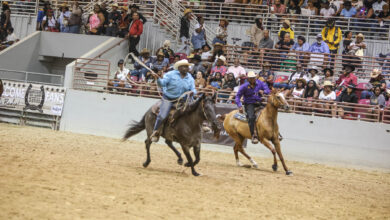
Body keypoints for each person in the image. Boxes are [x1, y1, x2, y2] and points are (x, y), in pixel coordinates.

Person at [149, 59, 197, 142]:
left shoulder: (190, 78)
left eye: (187, 66)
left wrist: (192, 92)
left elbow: (193, 89)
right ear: (179, 68)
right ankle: (156, 132)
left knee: (195, 111)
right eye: (185, 66)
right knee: (162, 115)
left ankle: (201, 125)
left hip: (183, 100)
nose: (187, 68)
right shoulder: (170, 74)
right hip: (169, 99)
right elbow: (162, 84)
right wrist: (158, 79)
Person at [235, 71, 270, 144]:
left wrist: (264, 92)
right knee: (251, 117)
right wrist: (239, 106)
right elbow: (237, 96)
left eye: (253, 78)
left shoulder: (260, 83)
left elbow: (267, 90)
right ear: (248, 79)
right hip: (249, 104)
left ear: (255, 78)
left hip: (259, 102)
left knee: (269, 114)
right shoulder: (244, 86)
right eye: (250, 78)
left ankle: (275, 132)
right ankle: (253, 135)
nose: (252, 79)